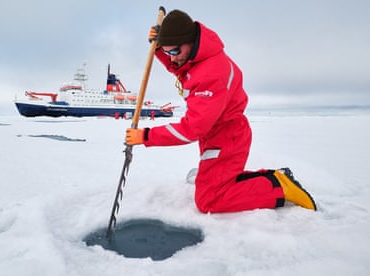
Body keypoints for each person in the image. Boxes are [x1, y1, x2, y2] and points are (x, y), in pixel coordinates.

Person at [125, 9, 317, 213]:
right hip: (217, 133)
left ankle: (279, 187)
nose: (171, 59)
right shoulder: (196, 58)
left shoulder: (212, 74)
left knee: (210, 200)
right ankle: (269, 178)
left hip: (227, 137)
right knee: (214, 186)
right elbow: (179, 66)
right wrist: (157, 49)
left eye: (173, 52)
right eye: (167, 51)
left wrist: (145, 136)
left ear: (189, 42)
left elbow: (192, 128)